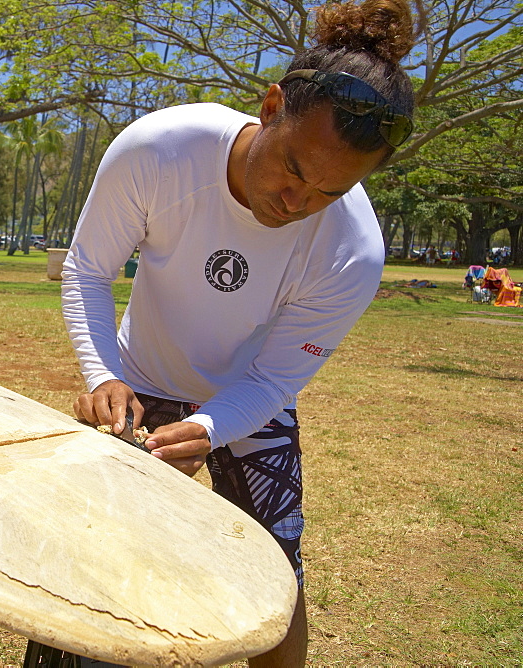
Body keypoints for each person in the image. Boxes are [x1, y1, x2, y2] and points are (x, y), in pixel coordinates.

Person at [60, 1, 417, 665]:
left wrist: (210, 427)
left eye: (329, 193)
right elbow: (88, 272)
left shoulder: (353, 252)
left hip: (251, 402)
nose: (297, 203)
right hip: (136, 379)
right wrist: (102, 374)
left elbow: (276, 378)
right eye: (294, 169)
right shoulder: (159, 151)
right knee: (97, 553)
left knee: (276, 576)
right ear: (271, 106)